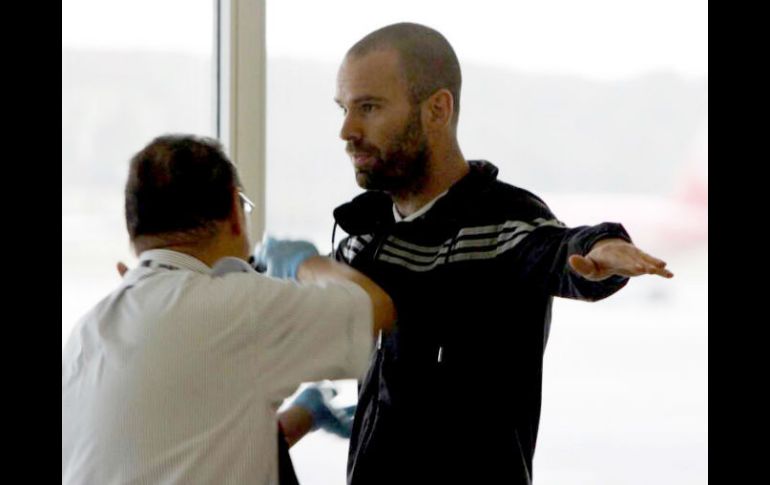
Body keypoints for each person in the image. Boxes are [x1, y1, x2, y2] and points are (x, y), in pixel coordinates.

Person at [267, 22, 674, 484]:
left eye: (369, 108)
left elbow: (557, 249)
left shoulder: (502, 220)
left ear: (437, 110)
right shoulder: (365, 235)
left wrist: (599, 248)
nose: (347, 130)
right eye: (343, 109)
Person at [61, 134, 395, 485]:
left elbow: (183, 447)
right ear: (235, 212)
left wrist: (302, 416)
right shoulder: (238, 306)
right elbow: (377, 307)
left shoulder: (85, 334)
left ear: (134, 232)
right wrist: (302, 263)